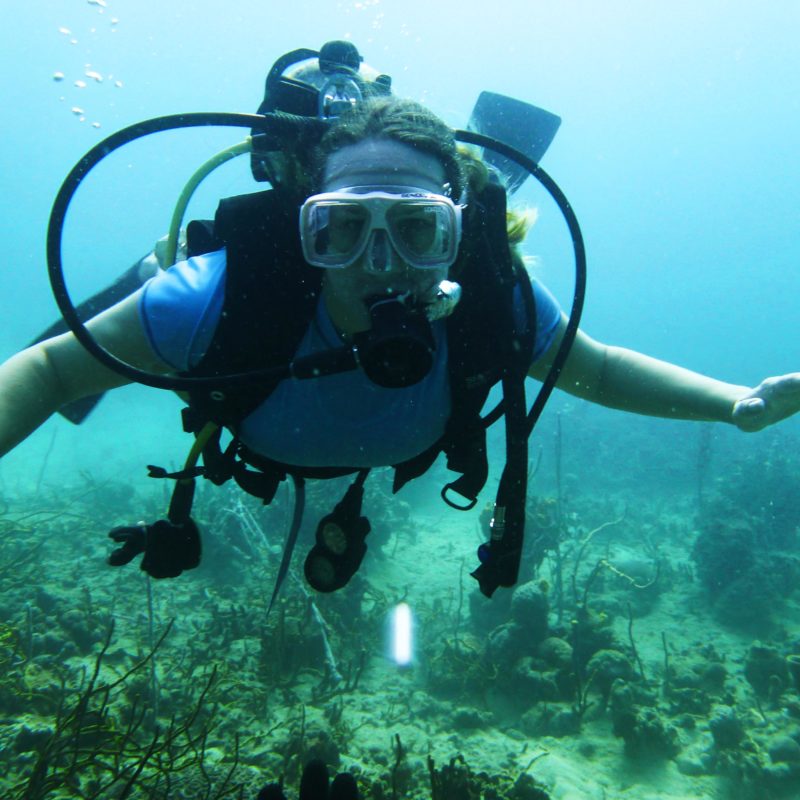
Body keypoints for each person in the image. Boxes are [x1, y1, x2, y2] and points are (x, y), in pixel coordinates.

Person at [1, 42, 799, 599]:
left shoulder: (492, 300)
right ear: (302, 231)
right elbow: (49, 369)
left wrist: (732, 404)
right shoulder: (214, 298)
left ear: (457, 235)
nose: (378, 263)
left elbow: (596, 365)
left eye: (419, 229)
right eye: (341, 227)